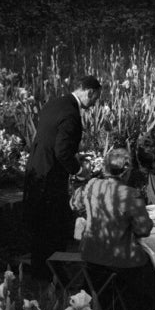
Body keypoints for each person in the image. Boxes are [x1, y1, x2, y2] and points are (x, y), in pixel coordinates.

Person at [71, 148, 155, 310]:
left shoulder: (91, 185)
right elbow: (143, 230)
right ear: (127, 171)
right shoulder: (129, 194)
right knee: (149, 267)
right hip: (120, 259)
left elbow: (74, 203)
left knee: (137, 265)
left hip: (91, 255)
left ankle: (117, 309)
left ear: (105, 167)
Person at [22, 75, 102, 278]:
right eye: (95, 99)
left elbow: (50, 138)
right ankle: (52, 273)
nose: (94, 104)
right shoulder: (71, 114)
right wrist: (79, 170)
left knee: (39, 225)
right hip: (50, 176)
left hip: (36, 169)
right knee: (52, 225)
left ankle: (40, 269)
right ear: (89, 92)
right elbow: (62, 151)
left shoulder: (56, 103)